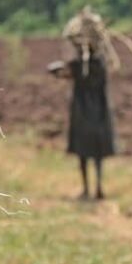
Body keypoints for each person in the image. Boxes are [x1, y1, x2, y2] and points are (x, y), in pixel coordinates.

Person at [49, 47, 115, 200]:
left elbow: (56, 71)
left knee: (82, 151)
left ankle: (86, 189)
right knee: (98, 153)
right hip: (100, 113)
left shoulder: (77, 66)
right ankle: (98, 187)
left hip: (82, 113)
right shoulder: (101, 64)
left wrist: (61, 66)